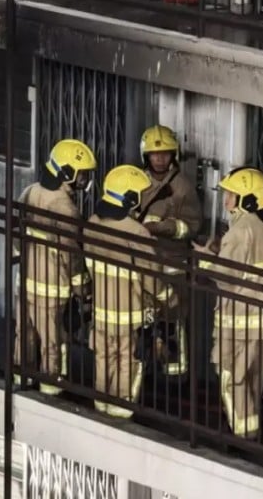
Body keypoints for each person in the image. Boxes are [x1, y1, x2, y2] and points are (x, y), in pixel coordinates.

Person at [193, 166, 263, 439]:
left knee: (231, 379)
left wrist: (205, 259)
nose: (226, 201)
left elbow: (226, 277)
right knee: (253, 380)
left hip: (238, 323)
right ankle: (250, 433)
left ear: (248, 199)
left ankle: (243, 437)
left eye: (231, 195)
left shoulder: (240, 231)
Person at [15, 138, 97, 395]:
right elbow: (72, 255)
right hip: (52, 287)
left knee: (25, 334)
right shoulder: (65, 207)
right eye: (82, 174)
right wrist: (83, 288)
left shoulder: (30, 191)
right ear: (67, 173)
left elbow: (16, 235)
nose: (84, 180)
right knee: (53, 340)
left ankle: (21, 379)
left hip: (25, 281)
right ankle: (51, 387)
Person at [83, 165, 161, 418]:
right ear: (130, 198)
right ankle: (120, 409)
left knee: (103, 356)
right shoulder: (137, 232)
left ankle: (101, 406)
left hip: (101, 310)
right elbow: (151, 277)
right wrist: (167, 298)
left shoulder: (93, 223)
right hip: (128, 313)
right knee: (126, 358)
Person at [138, 124, 203, 379]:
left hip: (173, 266)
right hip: (143, 263)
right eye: (155, 154)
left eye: (165, 153)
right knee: (143, 320)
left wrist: (163, 227)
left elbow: (193, 226)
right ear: (146, 155)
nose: (159, 158)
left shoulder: (183, 187)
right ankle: (144, 371)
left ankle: (176, 377)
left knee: (173, 321)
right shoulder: (136, 181)